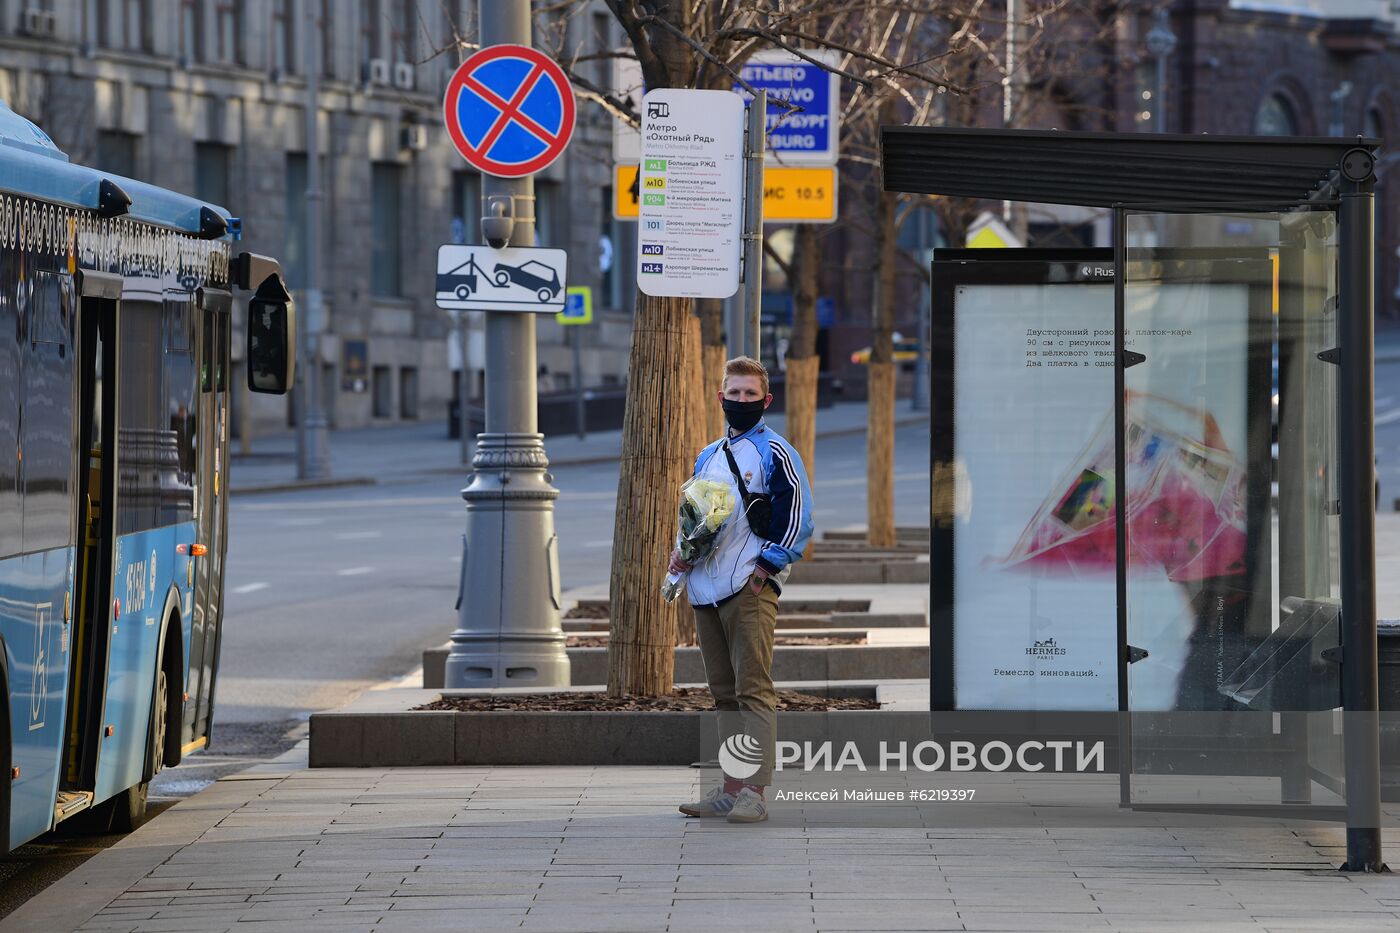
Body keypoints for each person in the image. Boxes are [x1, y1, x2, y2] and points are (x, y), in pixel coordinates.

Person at [671, 356, 813, 823]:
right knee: (723, 693)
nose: (741, 401)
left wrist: (765, 569)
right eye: (734, 393)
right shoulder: (708, 456)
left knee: (753, 690)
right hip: (706, 589)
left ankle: (756, 791)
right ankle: (730, 788)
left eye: (751, 394)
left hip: (748, 588)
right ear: (721, 397)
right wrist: (683, 557)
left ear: (766, 400)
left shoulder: (777, 452)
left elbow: (797, 519)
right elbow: (695, 515)